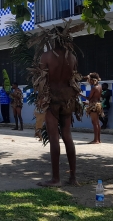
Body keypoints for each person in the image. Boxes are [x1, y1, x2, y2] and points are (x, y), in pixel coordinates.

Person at [29, 23, 85, 187]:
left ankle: (56, 179)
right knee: (67, 136)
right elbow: (72, 79)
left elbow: (42, 79)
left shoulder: (45, 57)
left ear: (51, 39)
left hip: (52, 99)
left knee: (54, 137)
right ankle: (73, 178)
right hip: (67, 99)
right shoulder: (72, 58)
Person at [81, 73, 104, 144]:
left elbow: (89, 98)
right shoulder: (100, 86)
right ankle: (98, 139)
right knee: (97, 123)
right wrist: (88, 103)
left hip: (93, 106)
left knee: (94, 123)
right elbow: (97, 98)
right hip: (98, 104)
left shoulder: (94, 88)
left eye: (89, 80)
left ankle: (95, 140)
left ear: (93, 80)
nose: (89, 82)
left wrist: (80, 94)